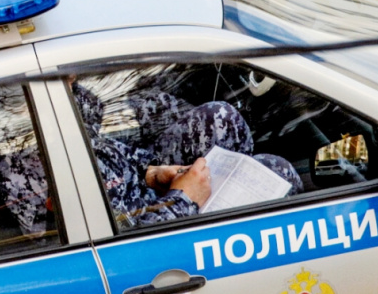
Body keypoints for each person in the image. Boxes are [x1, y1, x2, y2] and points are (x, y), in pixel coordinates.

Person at [73, 84, 302, 229]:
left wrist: (150, 173)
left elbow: (99, 150)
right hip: (159, 225)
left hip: (139, 191)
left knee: (218, 117)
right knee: (279, 174)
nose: (73, 79)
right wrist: (184, 198)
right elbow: (124, 247)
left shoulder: (65, 114)